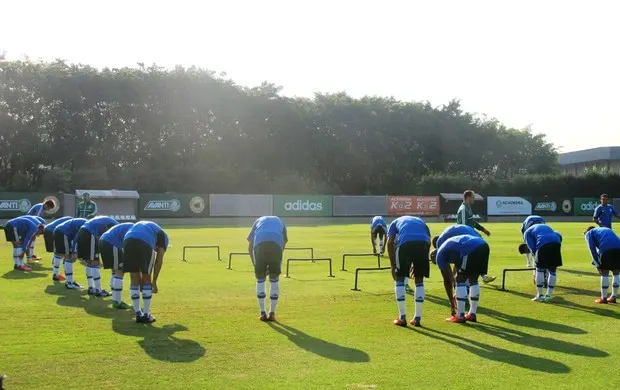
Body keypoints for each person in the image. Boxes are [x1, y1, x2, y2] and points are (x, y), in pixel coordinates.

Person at [431, 234, 490, 323]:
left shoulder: (439, 256)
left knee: (460, 280)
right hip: (483, 245)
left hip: (468, 248)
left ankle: (460, 315)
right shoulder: (448, 250)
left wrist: (452, 302)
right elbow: (457, 266)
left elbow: (447, 281)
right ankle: (472, 314)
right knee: (473, 279)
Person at [386, 216, 431, 327]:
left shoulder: (395, 222)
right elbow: (428, 238)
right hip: (424, 244)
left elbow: (390, 242)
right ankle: (417, 318)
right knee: (419, 280)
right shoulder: (421, 221)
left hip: (405, 243)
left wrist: (393, 265)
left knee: (400, 278)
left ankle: (402, 317)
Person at [123, 221, 168, 323]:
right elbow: (159, 260)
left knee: (134, 279)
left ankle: (138, 313)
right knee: (147, 277)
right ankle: (147, 314)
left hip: (127, 240)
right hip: (145, 241)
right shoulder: (164, 237)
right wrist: (154, 282)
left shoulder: (151, 228)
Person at [248, 216, 288, 322]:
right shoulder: (280, 221)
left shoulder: (257, 221)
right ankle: (272, 313)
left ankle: (262, 313)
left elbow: (250, 245)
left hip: (260, 244)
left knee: (260, 278)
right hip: (276, 246)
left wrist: (255, 265)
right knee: (274, 278)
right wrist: (277, 258)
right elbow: (283, 243)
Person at [456, 190, 496, 284]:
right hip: (467, 238)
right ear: (468, 197)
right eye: (473, 197)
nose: (474, 199)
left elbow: (472, 221)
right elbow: (463, 226)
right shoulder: (463, 210)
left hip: (472, 236)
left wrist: (483, 229)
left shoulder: (468, 207)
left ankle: (483, 276)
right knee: (470, 256)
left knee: (481, 251)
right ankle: (464, 278)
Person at [76, 216, 119, 297]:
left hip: (83, 231)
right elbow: (107, 239)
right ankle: (98, 290)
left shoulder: (109, 222)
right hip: (90, 233)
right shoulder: (115, 225)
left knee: (89, 261)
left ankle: (91, 287)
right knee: (95, 262)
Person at [523, 223, 562, 302]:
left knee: (539, 270)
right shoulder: (546, 226)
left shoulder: (527, 232)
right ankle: (548, 295)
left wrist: (535, 257)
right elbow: (558, 235)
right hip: (557, 243)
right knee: (552, 271)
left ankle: (540, 295)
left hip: (543, 244)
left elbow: (531, 247)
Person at [100, 222, 135, 309]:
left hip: (104, 240)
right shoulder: (134, 229)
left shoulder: (132, 227)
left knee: (115, 270)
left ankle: (115, 297)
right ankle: (117, 302)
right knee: (120, 270)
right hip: (112, 242)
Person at [584, 226, 620, 304]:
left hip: (606, 248)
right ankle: (613, 297)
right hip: (619, 248)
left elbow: (592, 250)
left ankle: (603, 298)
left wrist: (597, 265)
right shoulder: (603, 229)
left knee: (604, 273)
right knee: (616, 272)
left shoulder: (589, 233)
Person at [54, 218, 88, 289]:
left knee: (68, 258)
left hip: (61, 232)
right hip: (63, 232)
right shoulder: (86, 226)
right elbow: (76, 238)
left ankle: (70, 281)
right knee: (69, 257)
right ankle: (69, 283)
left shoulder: (87, 224)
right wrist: (74, 251)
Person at [43, 216, 72, 281]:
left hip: (48, 229)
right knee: (61, 252)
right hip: (52, 231)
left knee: (57, 251)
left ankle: (56, 273)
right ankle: (56, 274)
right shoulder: (72, 222)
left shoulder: (71, 219)